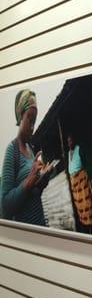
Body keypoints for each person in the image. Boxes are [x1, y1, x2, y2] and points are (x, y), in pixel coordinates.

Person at [1, 90, 47, 225]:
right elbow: (5, 207)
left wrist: (41, 184)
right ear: (20, 116)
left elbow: (31, 195)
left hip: (41, 225)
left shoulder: (31, 150)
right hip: (26, 235)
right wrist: (30, 179)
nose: (33, 126)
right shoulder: (12, 150)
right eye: (29, 118)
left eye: (35, 120)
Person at [67, 133, 92, 232]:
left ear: (74, 141)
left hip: (82, 182)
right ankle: (86, 229)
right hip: (74, 186)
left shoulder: (79, 149)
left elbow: (85, 164)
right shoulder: (68, 153)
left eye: (71, 141)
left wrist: (90, 178)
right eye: (68, 141)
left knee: (87, 204)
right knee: (80, 208)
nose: (70, 143)